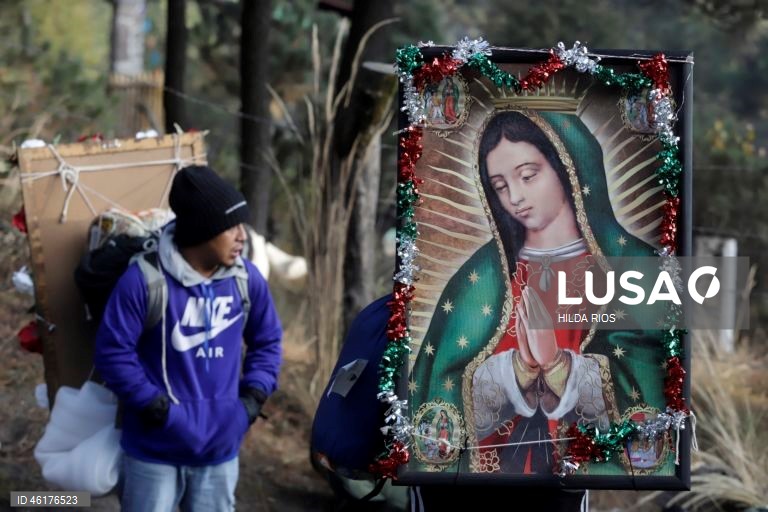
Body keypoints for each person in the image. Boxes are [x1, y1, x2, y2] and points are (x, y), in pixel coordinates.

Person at [410, 110, 669, 477]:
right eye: (500, 186)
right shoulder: (482, 276)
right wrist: (518, 371)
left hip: (567, 479)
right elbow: (441, 386)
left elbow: (649, 377)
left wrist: (560, 368)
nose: (515, 197)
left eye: (528, 176)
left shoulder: (632, 267)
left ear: (568, 169)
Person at [94, 165, 283, 512]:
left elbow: (268, 341)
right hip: (154, 452)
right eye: (230, 227)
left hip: (220, 453)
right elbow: (112, 352)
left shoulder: (246, 279)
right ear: (201, 230)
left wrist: (251, 401)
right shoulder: (144, 281)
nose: (242, 235)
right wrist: (156, 408)